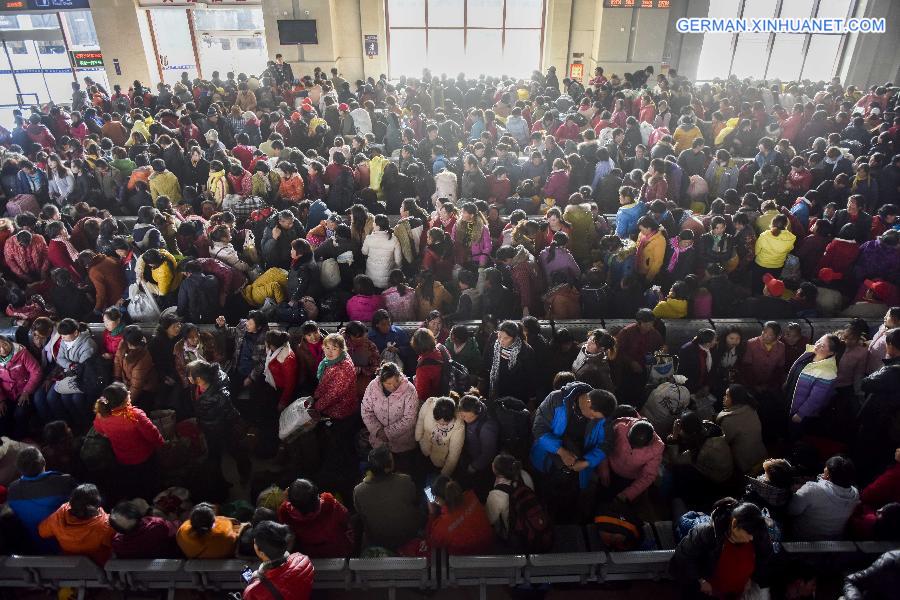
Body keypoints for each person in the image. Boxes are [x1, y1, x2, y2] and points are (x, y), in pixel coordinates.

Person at [669, 498, 773, 600]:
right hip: (709, 590)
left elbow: (764, 558)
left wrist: (752, 577)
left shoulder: (759, 534)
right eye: (749, 533)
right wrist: (701, 581)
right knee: (680, 514)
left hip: (736, 591)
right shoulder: (706, 533)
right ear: (734, 524)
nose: (751, 538)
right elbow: (683, 557)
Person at [531, 382, 617, 495]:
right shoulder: (556, 399)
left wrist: (587, 462)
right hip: (546, 458)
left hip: (578, 469)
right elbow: (538, 430)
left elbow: (607, 444)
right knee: (542, 490)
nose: (593, 419)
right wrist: (562, 452)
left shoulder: (602, 412)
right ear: (588, 401)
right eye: (593, 416)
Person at [92, 382, 164, 499]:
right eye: (127, 394)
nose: (129, 393)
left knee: (132, 481)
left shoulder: (101, 415)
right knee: (150, 482)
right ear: (122, 402)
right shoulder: (134, 415)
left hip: (122, 457)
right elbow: (152, 434)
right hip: (144, 456)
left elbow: (100, 430)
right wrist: (161, 444)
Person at [353, 446, 424, 552]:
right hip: (408, 536)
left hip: (378, 540)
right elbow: (414, 499)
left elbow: (360, 513)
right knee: (428, 490)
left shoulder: (358, 490)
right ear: (390, 466)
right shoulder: (405, 480)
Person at [6, 447, 75, 553]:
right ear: (43, 461)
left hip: (35, 548)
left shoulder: (12, 491)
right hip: (69, 546)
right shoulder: (63, 482)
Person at [788, 455, 860, 541]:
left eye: (825, 470)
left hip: (804, 539)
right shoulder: (855, 493)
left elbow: (791, 510)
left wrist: (796, 491)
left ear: (828, 476)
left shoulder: (812, 489)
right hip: (833, 542)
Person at [38, 483, 114, 565]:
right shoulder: (106, 525)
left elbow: (42, 532)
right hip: (98, 572)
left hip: (69, 569)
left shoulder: (59, 516)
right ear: (97, 502)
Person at [277, 478, 353, 558]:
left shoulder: (286, 515)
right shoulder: (331, 506)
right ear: (317, 495)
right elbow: (346, 517)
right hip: (337, 551)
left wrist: (286, 500)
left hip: (309, 556)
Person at [242, 520, 314, 600]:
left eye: (255, 542)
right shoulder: (304, 560)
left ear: (261, 553)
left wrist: (254, 582)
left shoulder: (252, 591)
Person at [361, 361, 418, 459]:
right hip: (379, 442)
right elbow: (366, 410)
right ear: (381, 381)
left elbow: (410, 418)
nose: (393, 386)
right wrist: (378, 430)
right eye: (388, 383)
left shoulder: (410, 390)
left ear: (400, 376)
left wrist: (387, 433)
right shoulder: (373, 387)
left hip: (403, 444)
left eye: (397, 381)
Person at [598, 418, 663, 503]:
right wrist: (603, 471)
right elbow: (605, 447)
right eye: (630, 442)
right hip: (609, 468)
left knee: (614, 505)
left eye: (637, 446)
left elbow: (648, 476)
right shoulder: (620, 428)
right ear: (629, 431)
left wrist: (627, 494)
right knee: (600, 496)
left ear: (648, 443)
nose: (632, 447)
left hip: (627, 480)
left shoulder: (656, 449)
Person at [426, 474, 494, 556]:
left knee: (428, 483)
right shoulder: (472, 496)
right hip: (490, 549)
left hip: (462, 562)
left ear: (438, 500)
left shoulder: (441, 528)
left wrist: (432, 513)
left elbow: (432, 542)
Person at [481, 320, 537, 405]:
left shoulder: (525, 351)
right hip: (496, 391)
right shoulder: (492, 343)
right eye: (499, 336)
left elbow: (531, 376)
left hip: (517, 393)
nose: (501, 341)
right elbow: (485, 364)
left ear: (514, 337)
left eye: (506, 338)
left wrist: (532, 398)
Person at [715, 384, 766, 475]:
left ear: (735, 399)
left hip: (745, 462)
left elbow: (723, 442)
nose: (724, 398)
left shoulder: (729, 420)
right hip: (759, 453)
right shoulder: (750, 408)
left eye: (727, 396)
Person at [457, 395, 499, 498]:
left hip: (479, 464)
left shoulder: (487, 428)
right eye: (461, 415)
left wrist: (474, 466)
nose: (462, 418)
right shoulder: (469, 412)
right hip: (469, 454)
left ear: (477, 414)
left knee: (477, 486)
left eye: (466, 417)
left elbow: (488, 454)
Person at [0, 334, 42, 439]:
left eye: (4, 345)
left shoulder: (22, 353)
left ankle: (20, 440)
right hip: (6, 394)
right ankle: (5, 443)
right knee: (2, 415)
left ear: (9, 343)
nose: (3, 349)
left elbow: (36, 371)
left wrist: (26, 391)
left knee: (20, 414)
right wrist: (1, 400)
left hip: (23, 391)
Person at [109, 500, 178, 559]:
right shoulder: (157, 525)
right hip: (170, 566)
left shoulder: (118, 544)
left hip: (140, 574)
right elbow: (175, 530)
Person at [176, 502, 242, 558]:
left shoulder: (182, 531)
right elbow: (230, 529)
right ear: (214, 521)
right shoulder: (224, 533)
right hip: (223, 560)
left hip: (198, 566)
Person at [361, 214, 402, 289]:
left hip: (370, 279)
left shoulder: (369, 238)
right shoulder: (394, 239)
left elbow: (364, 252)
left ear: (378, 226)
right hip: (387, 281)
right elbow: (398, 261)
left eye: (374, 222)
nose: (373, 224)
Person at [571, 328, 616, 392]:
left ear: (601, 348)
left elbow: (608, 390)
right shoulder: (583, 348)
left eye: (593, 342)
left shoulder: (601, 367)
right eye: (589, 338)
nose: (588, 342)